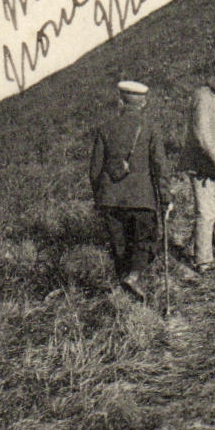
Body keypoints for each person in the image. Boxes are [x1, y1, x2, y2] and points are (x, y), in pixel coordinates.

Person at [89, 80, 170, 299]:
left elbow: (95, 169)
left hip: (110, 198)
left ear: (120, 102)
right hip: (141, 198)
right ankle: (134, 277)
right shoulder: (151, 128)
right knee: (144, 239)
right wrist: (165, 196)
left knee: (119, 244)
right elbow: (159, 164)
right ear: (143, 103)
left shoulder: (105, 128)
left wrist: (99, 197)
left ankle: (122, 292)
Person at [184, 63, 215, 271]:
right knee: (206, 211)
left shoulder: (213, 97)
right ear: (209, 77)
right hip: (200, 163)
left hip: (208, 162)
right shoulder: (203, 98)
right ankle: (203, 261)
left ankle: (197, 250)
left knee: (212, 206)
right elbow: (202, 136)